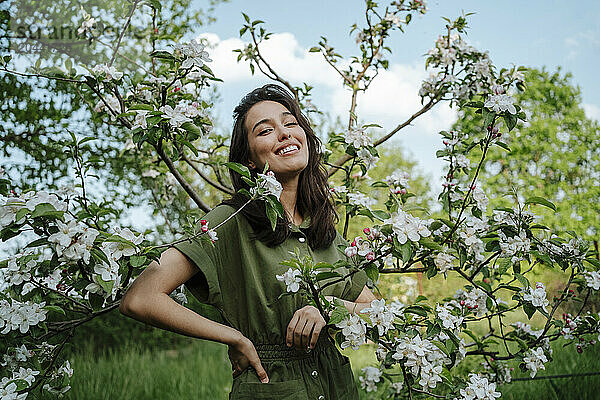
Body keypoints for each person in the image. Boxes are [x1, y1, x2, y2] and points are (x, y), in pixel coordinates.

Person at [119, 84, 377, 399]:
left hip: (336, 384)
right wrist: (233, 338)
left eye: (291, 123)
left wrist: (329, 309)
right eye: (265, 130)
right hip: (271, 386)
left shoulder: (324, 231)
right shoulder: (229, 222)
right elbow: (141, 298)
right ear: (250, 161)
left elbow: (376, 310)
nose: (284, 133)